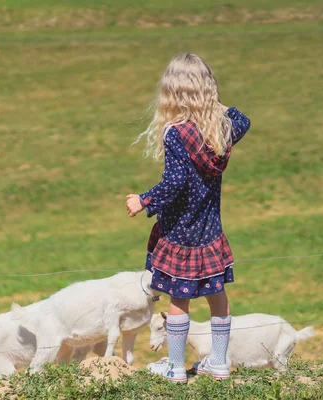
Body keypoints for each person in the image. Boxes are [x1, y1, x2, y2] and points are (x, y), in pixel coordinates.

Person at [126, 53, 251, 383]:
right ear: (207, 90)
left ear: (172, 93)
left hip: (181, 234)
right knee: (217, 296)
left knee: (178, 299)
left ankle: (176, 367)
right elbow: (244, 119)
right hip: (210, 234)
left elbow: (175, 182)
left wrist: (144, 200)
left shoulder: (176, 134)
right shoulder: (220, 130)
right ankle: (220, 363)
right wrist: (215, 107)